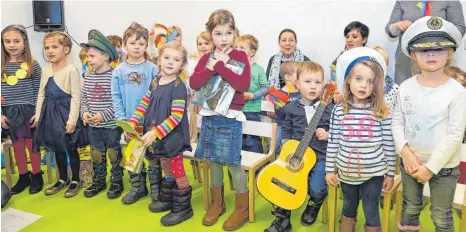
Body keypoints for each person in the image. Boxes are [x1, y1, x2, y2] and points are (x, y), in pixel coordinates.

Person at [392, 16, 466, 232]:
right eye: (424, 50)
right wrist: (405, 153)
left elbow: (455, 134)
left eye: (439, 48)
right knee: (410, 209)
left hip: (444, 167)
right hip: (411, 162)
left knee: (442, 216)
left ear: (450, 53)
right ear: (413, 54)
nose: (431, 53)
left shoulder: (458, 92)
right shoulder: (405, 87)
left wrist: (430, 168)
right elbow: (397, 122)